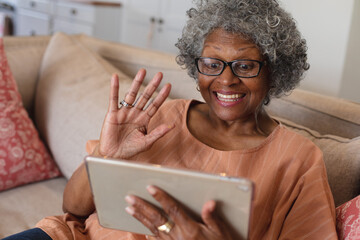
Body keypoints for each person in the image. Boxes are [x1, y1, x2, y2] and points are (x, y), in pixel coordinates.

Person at [3, 0, 337, 239]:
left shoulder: (299, 160)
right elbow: (73, 208)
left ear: (275, 71)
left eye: (245, 66)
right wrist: (105, 156)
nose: (226, 80)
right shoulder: (161, 115)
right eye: (211, 63)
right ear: (197, 66)